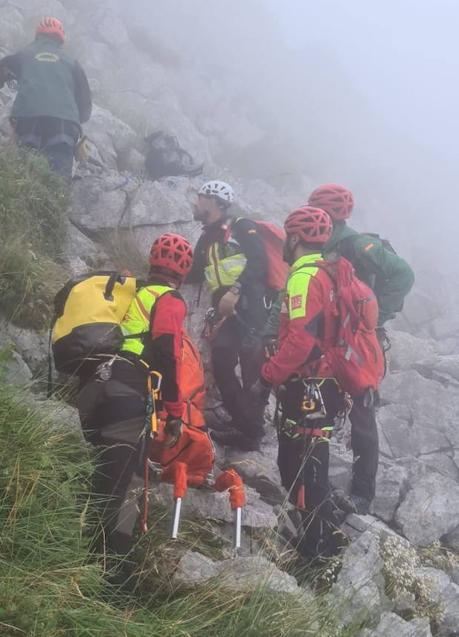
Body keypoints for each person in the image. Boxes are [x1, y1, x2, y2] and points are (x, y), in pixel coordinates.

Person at [264, 183, 415, 513]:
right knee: (335, 412)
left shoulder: (356, 244)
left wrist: (374, 319)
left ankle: (360, 492)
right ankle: (319, 489)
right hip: (328, 345)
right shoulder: (319, 249)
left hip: (351, 341)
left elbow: (403, 274)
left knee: (359, 408)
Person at [77, 233, 193, 586]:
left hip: (93, 385)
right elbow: (169, 354)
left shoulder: (131, 291)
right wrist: (174, 412)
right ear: (183, 273)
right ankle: (110, 575)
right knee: (122, 485)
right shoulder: (169, 299)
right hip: (128, 391)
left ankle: (78, 550)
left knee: (100, 472)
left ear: (152, 262)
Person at [253, 206, 348, 559]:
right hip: (327, 383)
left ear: (294, 238)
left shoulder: (302, 278)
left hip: (308, 384)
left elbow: (301, 340)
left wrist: (269, 373)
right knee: (313, 457)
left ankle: (314, 545)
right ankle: (319, 534)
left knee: (299, 462)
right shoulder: (330, 273)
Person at [186, 180, 269, 451]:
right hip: (226, 313)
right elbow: (196, 273)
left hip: (251, 307)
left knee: (251, 371)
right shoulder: (206, 237)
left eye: (199, 198)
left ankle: (251, 432)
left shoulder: (242, 227)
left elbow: (259, 262)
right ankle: (244, 424)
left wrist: (235, 289)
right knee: (222, 363)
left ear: (212, 200)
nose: (196, 203)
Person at [0, 17, 92, 180]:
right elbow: (85, 104)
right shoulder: (72, 62)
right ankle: (55, 199)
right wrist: (78, 118)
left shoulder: (24, 54)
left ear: (38, 35)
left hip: (29, 119)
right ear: (61, 39)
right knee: (58, 178)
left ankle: (24, 199)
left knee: (24, 171)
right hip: (64, 124)